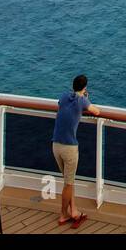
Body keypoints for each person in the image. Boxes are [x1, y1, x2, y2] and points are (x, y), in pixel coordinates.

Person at [51, 74, 100, 227]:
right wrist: (86, 98)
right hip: (69, 147)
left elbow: (62, 104)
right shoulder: (82, 101)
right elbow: (96, 111)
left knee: (68, 182)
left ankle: (74, 211)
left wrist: (80, 95)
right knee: (68, 183)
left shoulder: (65, 96)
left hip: (55, 145)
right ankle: (63, 215)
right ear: (85, 87)